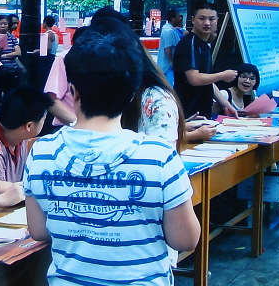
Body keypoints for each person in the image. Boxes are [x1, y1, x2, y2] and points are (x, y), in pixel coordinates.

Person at [24, 28, 200, 286]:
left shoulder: (41, 152)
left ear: (73, 92)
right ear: (131, 95)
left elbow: (38, 231)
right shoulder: (159, 157)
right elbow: (186, 240)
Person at [173, 2, 238, 119]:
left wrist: (227, 105)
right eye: (202, 18)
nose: (207, 23)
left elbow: (208, 81)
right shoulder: (190, 44)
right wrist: (223, 75)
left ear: (217, 20)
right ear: (193, 20)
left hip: (203, 113)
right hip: (189, 113)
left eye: (211, 19)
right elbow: (194, 78)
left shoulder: (204, 45)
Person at [0, 14, 21, 111]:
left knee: (10, 95)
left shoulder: (12, 38)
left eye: (5, 24)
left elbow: (18, 52)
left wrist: (5, 55)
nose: (3, 26)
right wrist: (0, 50)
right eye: (0, 24)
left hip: (11, 70)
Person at [157, 9, 184, 85]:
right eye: (178, 17)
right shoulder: (168, 31)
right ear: (173, 18)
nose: (180, 19)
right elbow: (167, 49)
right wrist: (171, 63)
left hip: (168, 67)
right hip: (168, 67)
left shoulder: (169, 29)